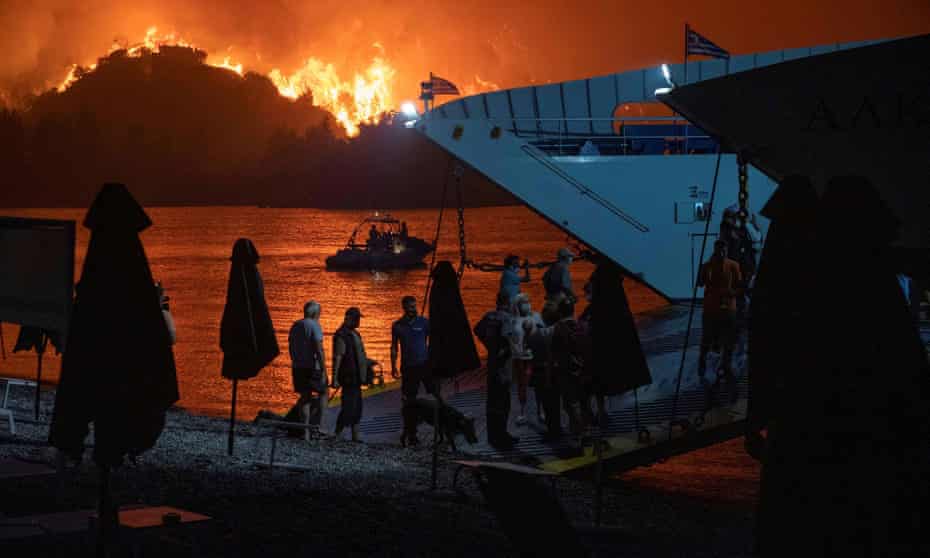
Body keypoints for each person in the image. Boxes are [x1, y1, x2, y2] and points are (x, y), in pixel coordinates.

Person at [474, 291, 519, 450]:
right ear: (509, 303)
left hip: (492, 361)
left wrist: (488, 345)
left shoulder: (489, 315)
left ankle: (493, 436)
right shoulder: (507, 318)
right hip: (503, 364)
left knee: (492, 400)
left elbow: (477, 329)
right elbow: (507, 338)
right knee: (503, 401)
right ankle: (502, 435)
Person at [392, 295, 439, 445]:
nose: (414, 309)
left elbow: (434, 342)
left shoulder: (424, 323)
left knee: (436, 394)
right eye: (411, 307)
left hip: (425, 365)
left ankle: (443, 427)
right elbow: (394, 347)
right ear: (404, 307)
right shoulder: (397, 325)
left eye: (415, 306)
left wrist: (435, 363)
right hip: (408, 368)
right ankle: (412, 434)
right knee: (409, 401)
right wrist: (393, 365)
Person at [696, 240, 742, 380]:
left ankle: (726, 365)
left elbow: (739, 285)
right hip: (711, 307)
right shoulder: (707, 266)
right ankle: (702, 360)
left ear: (726, 251)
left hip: (728, 307)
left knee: (729, 339)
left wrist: (732, 293)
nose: (721, 253)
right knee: (707, 337)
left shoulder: (733, 265)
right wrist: (701, 272)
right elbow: (699, 283)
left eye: (724, 250)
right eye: (719, 250)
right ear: (715, 250)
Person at [549, 296, 588, 454]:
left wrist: (550, 375)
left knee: (570, 406)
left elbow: (553, 354)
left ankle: (577, 436)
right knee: (583, 403)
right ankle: (585, 432)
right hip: (583, 370)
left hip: (566, 373)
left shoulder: (558, 329)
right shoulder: (581, 325)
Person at [331, 307, 372, 442]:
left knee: (357, 407)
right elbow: (338, 357)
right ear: (348, 318)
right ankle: (337, 434)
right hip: (348, 378)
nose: (358, 321)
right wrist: (335, 378)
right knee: (348, 407)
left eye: (358, 318)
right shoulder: (341, 335)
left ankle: (355, 436)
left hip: (357, 378)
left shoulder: (355, 334)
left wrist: (369, 363)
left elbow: (358, 355)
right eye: (356, 318)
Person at [288, 301, 327, 440]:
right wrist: (324, 369)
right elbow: (318, 349)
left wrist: (295, 361)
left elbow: (290, 348)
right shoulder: (314, 325)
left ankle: (305, 432)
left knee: (305, 397)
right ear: (315, 313)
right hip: (312, 368)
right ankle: (319, 427)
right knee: (323, 393)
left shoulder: (295, 325)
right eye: (319, 313)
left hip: (298, 367)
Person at [510, 293, 540, 426]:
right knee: (521, 385)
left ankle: (540, 410)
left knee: (538, 384)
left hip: (534, 356)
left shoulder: (536, 317)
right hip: (519, 357)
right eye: (523, 302)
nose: (527, 304)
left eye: (528, 301)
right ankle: (522, 411)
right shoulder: (513, 320)